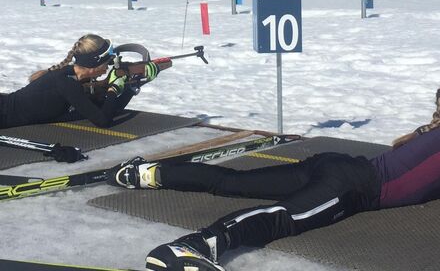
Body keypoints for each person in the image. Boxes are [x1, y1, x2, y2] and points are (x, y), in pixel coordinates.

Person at [111, 91, 440, 271]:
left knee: (234, 181)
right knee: (285, 217)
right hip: (354, 185)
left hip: (337, 166)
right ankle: (197, 245)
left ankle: (147, 173)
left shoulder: (429, 133)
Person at [0, 34, 160, 130]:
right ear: (93, 63)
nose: (109, 66)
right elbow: (103, 120)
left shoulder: (73, 77)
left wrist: (132, 86)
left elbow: (107, 110)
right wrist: (113, 88)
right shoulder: (67, 83)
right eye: (108, 62)